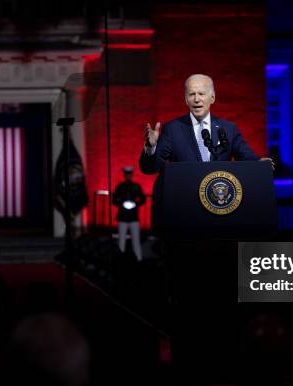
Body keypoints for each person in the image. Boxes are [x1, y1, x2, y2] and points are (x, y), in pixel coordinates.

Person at [140, 74, 273, 174]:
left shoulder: (228, 129)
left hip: (218, 203)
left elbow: (248, 159)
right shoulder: (172, 129)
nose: (196, 99)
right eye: (192, 94)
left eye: (201, 94)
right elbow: (150, 169)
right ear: (186, 99)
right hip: (185, 201)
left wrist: (260, 164)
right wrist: (151, 148)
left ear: (212, 98)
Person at [112, 166, 146, 261]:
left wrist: (135, 204)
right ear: (124, 175)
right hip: (122, 217)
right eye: (126, 174)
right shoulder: (120, 187)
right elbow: (114, 200)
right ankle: (120, 260)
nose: (128, 176)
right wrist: (122, 203)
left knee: (136, 240)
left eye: (129, 174)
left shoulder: (136, 186)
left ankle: (139, 259)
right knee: (121, 240)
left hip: (133, 217)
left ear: (131, 175)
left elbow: (143, 199)